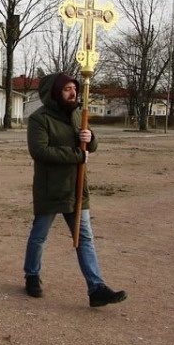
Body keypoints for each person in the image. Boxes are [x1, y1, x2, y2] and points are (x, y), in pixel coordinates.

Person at [23, 72, 128, 307]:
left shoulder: (78, 114)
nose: (73, 93)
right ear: (54, 93)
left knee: (85, 238)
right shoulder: (39, 119)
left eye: (74, 88)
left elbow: (91, 145)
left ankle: (96, 288)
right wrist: (77, 155)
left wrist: (90, 138)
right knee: (39, 236)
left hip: (78, 187)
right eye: (67, 89)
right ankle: (32, 275)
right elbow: (40, 151)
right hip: (50, 187)